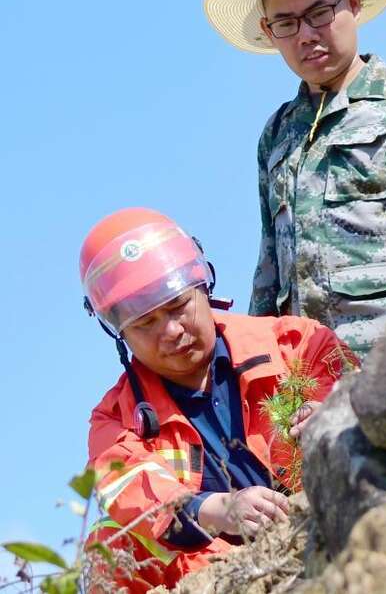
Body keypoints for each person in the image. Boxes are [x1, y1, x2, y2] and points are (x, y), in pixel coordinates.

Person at [81, 207, 356, 593]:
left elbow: (366, 404)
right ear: (119, 333)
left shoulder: (296, 345)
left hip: (330, 534)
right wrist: (220, 509)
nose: (173, 331)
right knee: (110, 544)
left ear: (203, 285)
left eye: (179, 306)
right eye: (145, 323)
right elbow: (132, 494)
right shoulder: (116, 420)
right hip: (215, 575)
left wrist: (334, 418)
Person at [204, 0, 386, 357]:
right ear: (269, 31)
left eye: (319, 13)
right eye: (286, 23)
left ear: (352, 4)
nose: (306, 35)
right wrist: (255, 368)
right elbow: (269, 272)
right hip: (309, 382)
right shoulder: (278, 134)